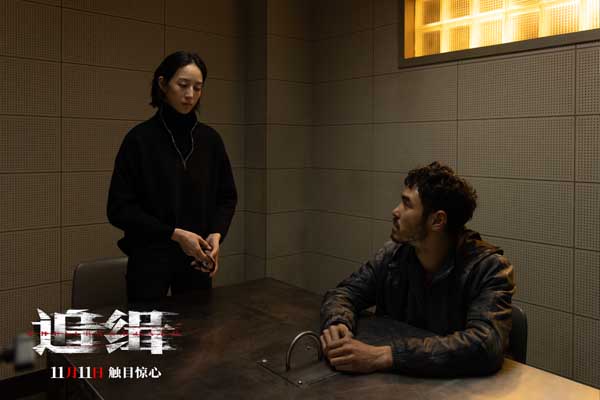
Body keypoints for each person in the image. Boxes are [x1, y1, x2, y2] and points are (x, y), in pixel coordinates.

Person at [319, 162, 515, 377]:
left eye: (407, 204)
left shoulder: (488, 267)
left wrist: (385, 356)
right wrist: (338, 322)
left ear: (437, 220)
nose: (395, 211)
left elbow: (485, 344)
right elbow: (345, 292)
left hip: (460, 388)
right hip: (398, 383)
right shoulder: (394, 255)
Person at [107, 51, 237, 302]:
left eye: (197, 88)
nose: (190, 95)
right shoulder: (139, 140)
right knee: (147, 328)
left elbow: (227, 196)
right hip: (148, 262)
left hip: (196, 261)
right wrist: (175, 234)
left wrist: (216, 234)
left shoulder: (210, 140)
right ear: (163, 84)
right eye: (183, 85)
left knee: (198, 325)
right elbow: (118, 209)